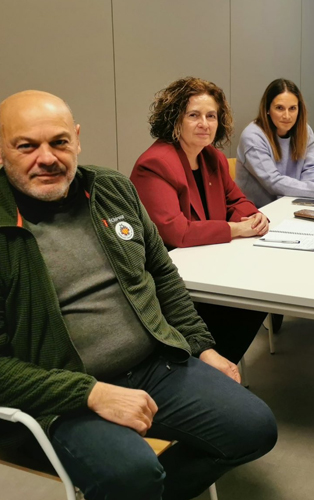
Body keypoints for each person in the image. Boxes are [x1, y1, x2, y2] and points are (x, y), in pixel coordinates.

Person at [0, 91, 277, 500]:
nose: (46, 157)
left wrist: (203, 347)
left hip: (153, 365)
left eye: (59, 142)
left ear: (77, 139)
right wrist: (90, 393)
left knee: (256, 429)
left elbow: (162, 275)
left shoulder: (111, 190)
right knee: (132, 475)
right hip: (63, 393)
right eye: (26, 146)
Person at [131, 77, 269, 364]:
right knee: (246, 304)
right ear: (174, 119)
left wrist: (253, 218)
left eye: (211, 116)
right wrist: (236, 228)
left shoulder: (212, 158)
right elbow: (176, 232)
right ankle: (207, 366)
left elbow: (237, 200)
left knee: (261, 295)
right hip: (172, 279)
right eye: (193, 115)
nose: (204, 123)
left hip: (209, 263)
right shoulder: (155, 163)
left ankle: (220, 364)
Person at [235, 78, 314, 207]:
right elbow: (274, 183)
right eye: (279, 108)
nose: (287, 116)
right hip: (257, 214)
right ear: (267, 109)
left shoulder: (304, 131)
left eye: (292, 108)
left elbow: (309, 170)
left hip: (290, 205)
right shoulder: (253, 137)